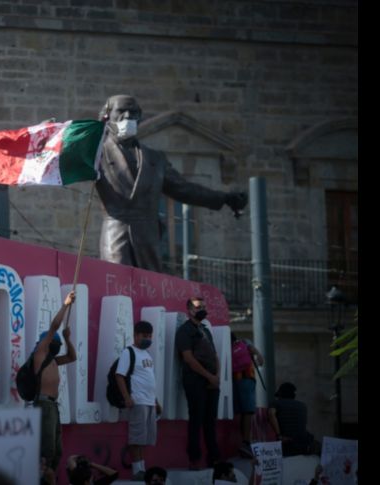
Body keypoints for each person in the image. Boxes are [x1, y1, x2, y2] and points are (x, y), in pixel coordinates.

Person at [96, 94, 248, 272]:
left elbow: (183, 189)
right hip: (116, 236)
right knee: (116, 284)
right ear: (107, 116)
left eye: (133, 112)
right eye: (121, 111)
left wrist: (224, 198)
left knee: (148, 287)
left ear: (140, 117)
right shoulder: (98, 153)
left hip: (149, 240)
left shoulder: (155, 159)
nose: (128, 116)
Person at [33, 291, 77, 475]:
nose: (56, 346)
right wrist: (66, 304)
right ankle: (43, 478)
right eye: (55, 343)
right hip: (44, 404)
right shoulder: (40, 354)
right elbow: (54, 327)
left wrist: (67, 339)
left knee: (57, 449)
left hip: (52, 405)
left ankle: (50, 476)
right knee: (47, 449)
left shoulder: (53, 360)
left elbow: (72, 357)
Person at [175, 296, 220, 469]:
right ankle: (194, 460)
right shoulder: (184, 331)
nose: (202, 309)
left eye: (204, 306)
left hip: (212, 382)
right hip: (195, 381)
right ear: (189, 310)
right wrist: (209, 376)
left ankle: (214, 458)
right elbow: (188, 358)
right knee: (196, 420)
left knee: (211, 421)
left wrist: (217, 376)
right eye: (198, 307)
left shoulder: (205, 330)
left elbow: (215, 355)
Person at [117, 320, 162, 480]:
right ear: (136, 335)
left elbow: (149, 380)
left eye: (150, 336)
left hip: (149, 402)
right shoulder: (128, 352)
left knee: (143, 439)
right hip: (138, 401)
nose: (148, 339)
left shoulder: (147, 355)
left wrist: (156, 401)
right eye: (144, 335)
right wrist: (127, 397)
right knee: (136, 438)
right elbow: (119, 376)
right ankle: (137, 471)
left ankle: (142, 469)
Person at [230, 332, 264, 458]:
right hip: (247, 380)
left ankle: (244, 442)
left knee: (241, 412)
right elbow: (258, 356)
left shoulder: (227, 347)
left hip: (234, 382)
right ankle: (246, 442)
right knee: (248, 411)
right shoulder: (244, 342)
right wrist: (259, 357)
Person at [268, 382, 318, 457]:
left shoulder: (276, 403)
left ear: (281, 394)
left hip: (287, 442)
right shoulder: (303, 405)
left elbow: (271, 413)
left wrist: (279, 436)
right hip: (303, 442)